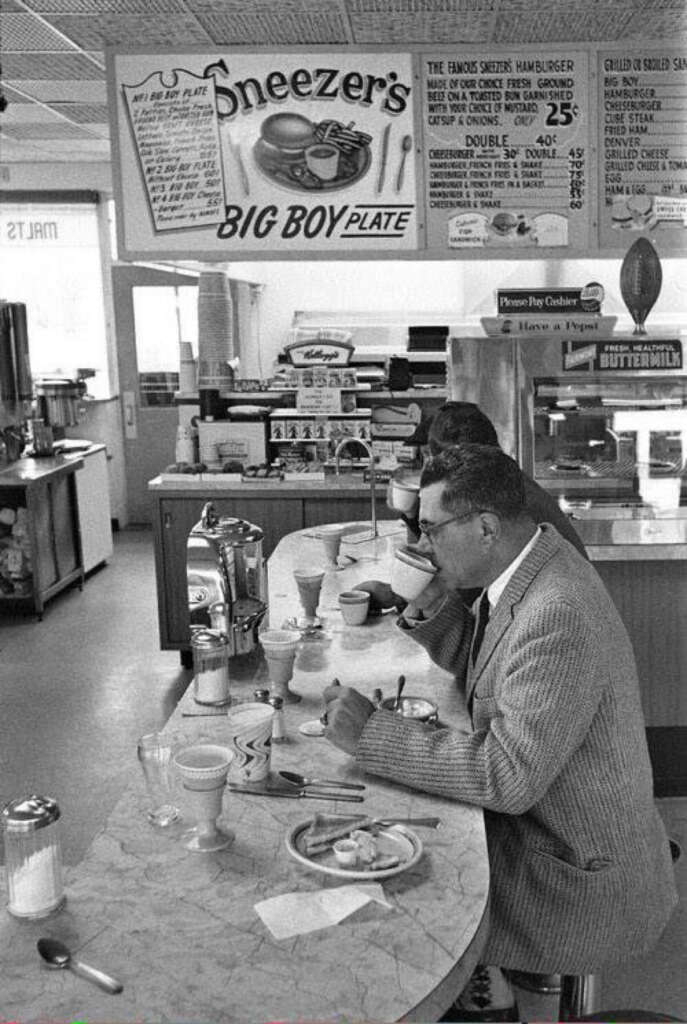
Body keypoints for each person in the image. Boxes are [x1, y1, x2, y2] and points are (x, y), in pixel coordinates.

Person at [323, 444, 677, 1022]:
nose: (421, 545)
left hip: (575, 874)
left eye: (431, 528)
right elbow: (493, 671)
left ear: (485, 526)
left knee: (401, 899)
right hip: (549, 832)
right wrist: (434, 603)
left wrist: (373, 734)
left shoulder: (557, 610)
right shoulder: (529, 566)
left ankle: (473, 1000)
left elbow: (505, 775)